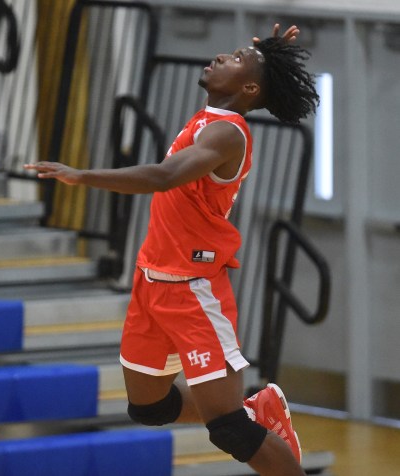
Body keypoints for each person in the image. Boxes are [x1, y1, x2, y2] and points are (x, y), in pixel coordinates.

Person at [25, 24, 319, 476]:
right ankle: (255, 410)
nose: (222, 55)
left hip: (194, 289)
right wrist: (268, 51)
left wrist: (82, 176)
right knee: (150, 407)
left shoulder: (228, 133)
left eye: (236, 58)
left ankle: (252, 420)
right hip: (151, 282)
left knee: (230, 431)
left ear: (249, 88)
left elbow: (164, 177)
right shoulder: (208, 118)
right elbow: (253, 76)